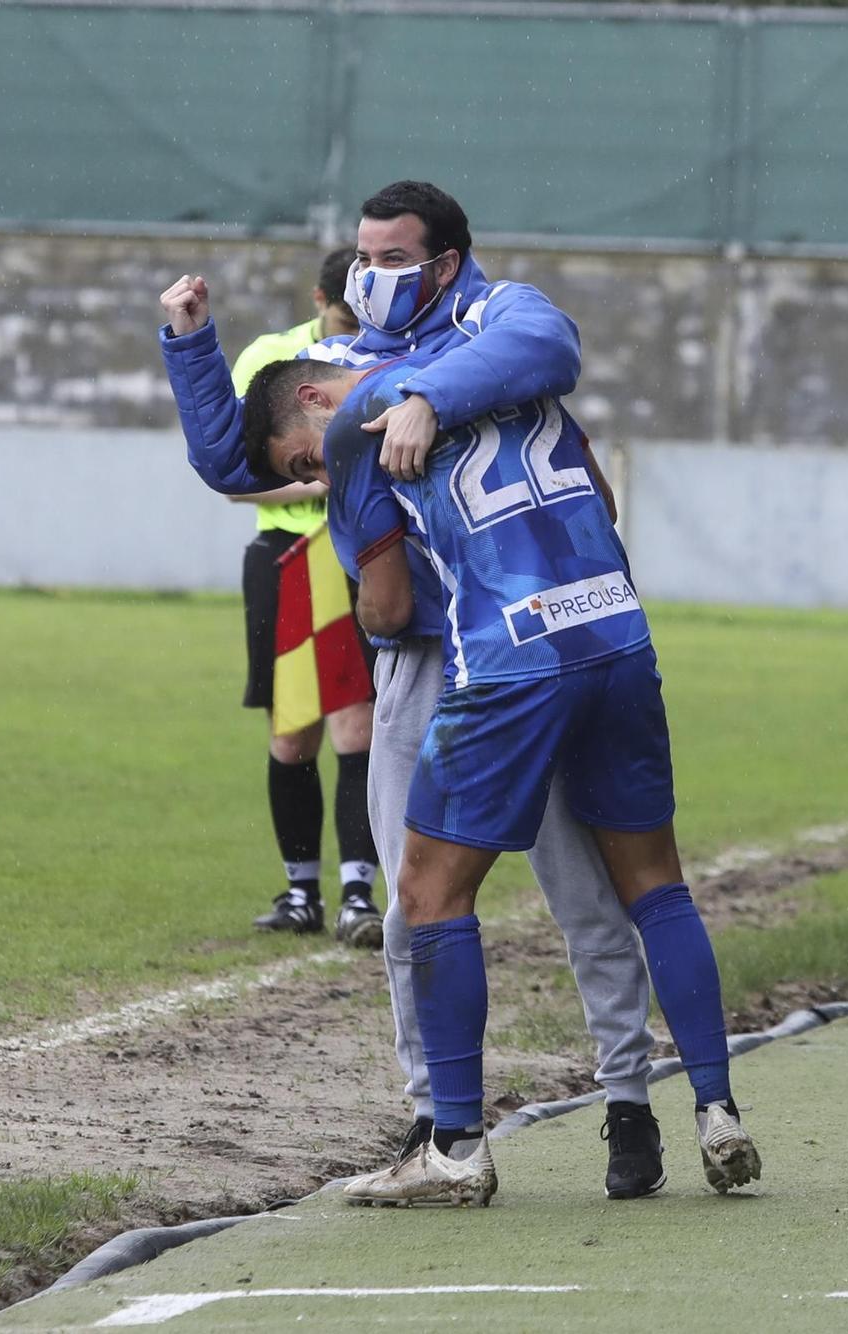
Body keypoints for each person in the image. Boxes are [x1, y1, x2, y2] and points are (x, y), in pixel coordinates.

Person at [159, 182, 668, 1198]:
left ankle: (629, 1101)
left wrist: (430, 398)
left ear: (444, 262)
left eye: (390, 256)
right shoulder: (346, 371)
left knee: (582, 891)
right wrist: (190, 344)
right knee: (413, 905)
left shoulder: (494, 322)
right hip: (422, 668)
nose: (368, 276)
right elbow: (237, 462)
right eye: (360, 257)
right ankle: (442, 1121)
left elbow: (551, 348)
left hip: (522, 650)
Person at [242, 355, 760, 1204]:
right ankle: (702, 1107)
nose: (310, 473)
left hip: (504, 664)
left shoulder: (357, 437)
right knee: (650, 891)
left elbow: (390, 608)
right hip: (615, 636)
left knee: (428, 898)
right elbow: (602, 490)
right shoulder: (522, 378)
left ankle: (451, 1142)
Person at [225, 248, 382, 945]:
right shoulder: (271, 357)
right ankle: (299, 892)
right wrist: (321, 486)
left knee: (359, 725)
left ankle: (357, 894)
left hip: (356, 557)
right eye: (343, 315)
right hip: (287, 555)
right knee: (292, 732)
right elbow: (236, 475)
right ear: (320, 299)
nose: (352, 327)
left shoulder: (383, 355)